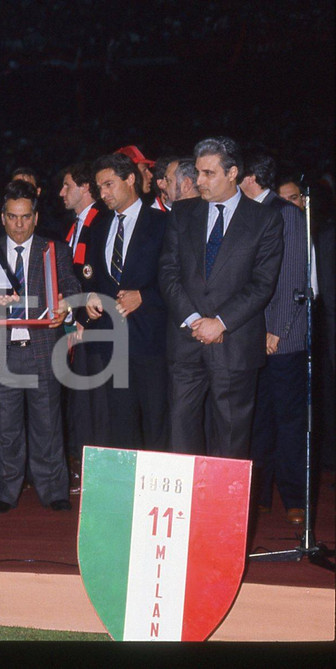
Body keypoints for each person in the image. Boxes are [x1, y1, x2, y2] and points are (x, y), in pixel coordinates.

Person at [158, 136, 284, 459]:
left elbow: (262, 284)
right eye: (198, 173)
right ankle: (186, 506)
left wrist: (220, 323)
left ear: (233, 174)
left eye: (208, 174)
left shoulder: (265, 219)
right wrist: (194, 320)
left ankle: (222, 509)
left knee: (231, 439)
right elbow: (168, 273)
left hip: (235, 343)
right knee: (180, 432)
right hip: (186, 340)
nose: (198, 181)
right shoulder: (181, 213)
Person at [0, 179, 80, 515]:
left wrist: (65, 305)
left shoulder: (54, 250)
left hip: (42, 348)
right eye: (13, 217)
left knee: (48, 424)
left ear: (36, 217)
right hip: (1, 350)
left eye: (26, 217)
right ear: (2, 217)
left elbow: (71, 286)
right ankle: (5, 489)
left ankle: (53, 489)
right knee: (4, 428)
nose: (19, 224)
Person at [239, 153, 310, 525]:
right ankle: (260, 494)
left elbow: (294, 278)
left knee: (288, 419)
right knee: (258, 418)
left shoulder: (287, 214)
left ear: (249, 176)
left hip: (283, 337)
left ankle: (294, 497)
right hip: (252, 335)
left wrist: (276, 330)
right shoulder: (249, 212)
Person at [83, 153, 169, 451]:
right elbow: (91, 278)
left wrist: (145, 296)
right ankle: (126, 492)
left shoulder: (163, 224)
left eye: (108, 184)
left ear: (130, 179)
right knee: (120, 426)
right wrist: (90, 297)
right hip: (113, 344)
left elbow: (179, 282)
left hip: (152, 342)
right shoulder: (98, 227)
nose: (103, 193)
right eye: (99, 187)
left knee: (157, 424)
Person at [57, 161, 104, 490]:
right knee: (79, 400)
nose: (62, 192)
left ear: (85, 188)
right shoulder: (77, 225)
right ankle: (81, 464)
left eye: (67, 185)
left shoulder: (98, 222)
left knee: (92, 400)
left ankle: (93, 469)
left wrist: (83, 322)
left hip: (93, 326)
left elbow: (95, 277)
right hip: (77, 324)